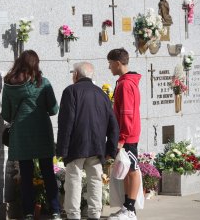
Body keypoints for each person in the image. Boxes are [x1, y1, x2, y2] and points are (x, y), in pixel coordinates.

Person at [1, 50, 61, 220]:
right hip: (42, 132)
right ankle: (55, 211)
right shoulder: (43, 83)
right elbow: (54, 109)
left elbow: (5, 114)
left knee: (26, 176)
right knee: (48, 172)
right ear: (36, 64)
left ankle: (28, 213)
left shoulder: (9, 85)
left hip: (20, 135)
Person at [56, 62, 119, 220]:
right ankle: (95, 214)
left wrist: (62, 150)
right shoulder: (101, 94)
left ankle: (73, 215)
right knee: (95, 180)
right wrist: (111, 150)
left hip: (76, 145)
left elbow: (66, 122)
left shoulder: (70, 91)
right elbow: (113, 124)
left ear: (76, 75)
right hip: (97, 146)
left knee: (73, 181)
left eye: (73, 73)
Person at [107, 48, 142, 220]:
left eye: (110, 63)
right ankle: (127, 208)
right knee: (127, 170)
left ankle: (130, 210)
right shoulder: (124, 82)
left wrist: (121, 138)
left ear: (118, 63)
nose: (109, 67)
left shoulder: (126, 84)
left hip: (128, 135)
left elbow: (127, 114)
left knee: (133, 170)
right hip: (126, 134)